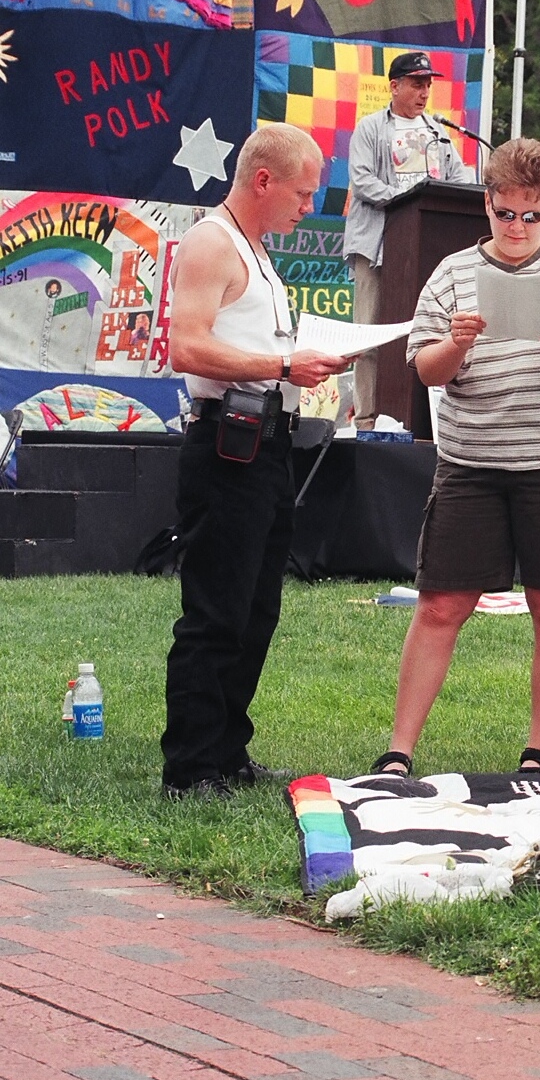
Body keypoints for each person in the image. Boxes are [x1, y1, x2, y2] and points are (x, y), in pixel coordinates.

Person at [371, 137, 540, 777]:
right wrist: (456, 345)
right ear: (486, 204)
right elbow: (424, 372)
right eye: (505, 212)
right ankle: (398, 752)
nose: (517, 227)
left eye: (530, 215)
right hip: (471, 464)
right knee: (440, 604)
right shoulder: (454, 273)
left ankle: (538, 752)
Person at [161, 123, 349, 800]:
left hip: (267, 440)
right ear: (263, 181)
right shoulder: (212, 240)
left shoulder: (258, 251)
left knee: (255, 608)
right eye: (302, 193)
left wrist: (308, 359)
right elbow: (187, 347)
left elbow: (254, 349)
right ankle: (190, 765)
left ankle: (226, 747)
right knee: (215, 609)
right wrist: (282, 362)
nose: (308, 206)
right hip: (225, 443)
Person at [344, 50, 470, 431]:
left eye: (428, 84)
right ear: (394, 86)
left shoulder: (438, 133)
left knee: (429, 333)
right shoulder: (371, 128)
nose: (424, 91)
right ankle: (366, 420)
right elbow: (363, 180)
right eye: (417, 83)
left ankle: (421, 419)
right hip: (377, 245)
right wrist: (402, 204)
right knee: (369, 333)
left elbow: (460, 180)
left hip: (426, 250)